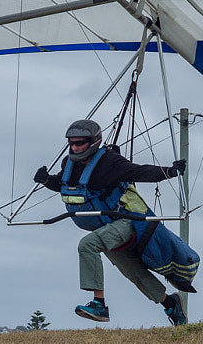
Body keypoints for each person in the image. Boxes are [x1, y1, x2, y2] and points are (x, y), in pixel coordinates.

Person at [34, 118, 190, 325]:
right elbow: (65, 186)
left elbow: (139, 171)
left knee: (87, 245)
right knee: (133, 273)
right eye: (71, 143)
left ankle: (99, 305)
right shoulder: (69, 164)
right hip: (105, 227)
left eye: (79, 143)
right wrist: (46, 180)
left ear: (93, 142)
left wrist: (169, 172)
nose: (74, 147)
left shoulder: (110, 162)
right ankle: (171, 304)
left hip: (125, 220)